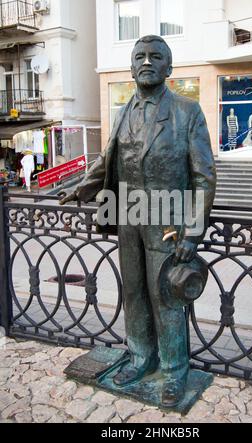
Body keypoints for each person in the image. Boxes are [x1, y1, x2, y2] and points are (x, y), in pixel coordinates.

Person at [59, 35, 216, 407]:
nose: (147, 62)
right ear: (131, 68)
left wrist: (192, 232)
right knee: (134, 295)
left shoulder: (186, 111)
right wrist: (82, 188)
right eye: (140, 57)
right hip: (127, 215)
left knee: (165, 298)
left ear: (169, 68)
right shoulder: (123, 110)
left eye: (155, 56)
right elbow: (108, 158)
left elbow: (204, 176)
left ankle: (175, 371)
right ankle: (141, 359)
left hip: (168, 220)